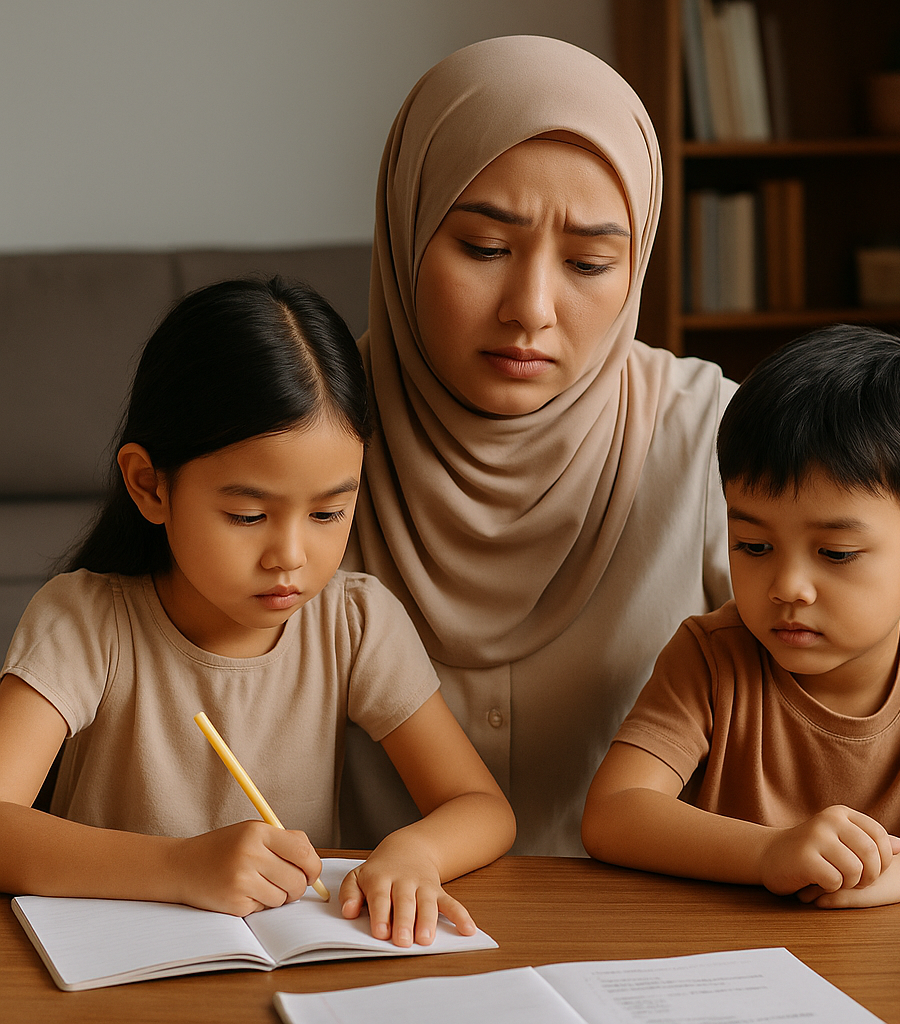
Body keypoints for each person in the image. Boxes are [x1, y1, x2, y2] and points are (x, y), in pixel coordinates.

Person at [338, 33, 900, 858]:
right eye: (484, 248)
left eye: (590, 261)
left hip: (650, 939)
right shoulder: (305, 436)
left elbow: (897, 613)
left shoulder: (707, 432)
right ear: (406, 225)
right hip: (366, 922)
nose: (531, 308)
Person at [0, 277, 515, 947]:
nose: (291, 557)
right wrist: (179, 866)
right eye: (248, 515)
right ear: (149, 486)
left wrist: (415, 854)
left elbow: (481, 808)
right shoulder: (85, 622)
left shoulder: (353, 623)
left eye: (330, 512)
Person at [582, 326, 900, 907]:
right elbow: (613, 814)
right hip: (731, 965)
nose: (787, 588)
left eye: (836, 554)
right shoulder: (712, 657)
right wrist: (769, 852)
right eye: (753, 547)